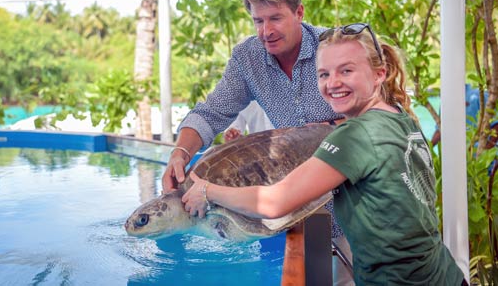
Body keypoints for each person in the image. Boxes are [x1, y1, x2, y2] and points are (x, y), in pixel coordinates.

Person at [182, 23, 466, 285]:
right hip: (444, 275)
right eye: (324, 74)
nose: (333, 83)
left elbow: (274, 202)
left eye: (347, 71)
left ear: (379, 74)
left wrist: (207, 190)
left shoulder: (355, 135)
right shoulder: (399, 117)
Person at [162, 0, 353, 285]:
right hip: (295, 207)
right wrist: (181, 152)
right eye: (258, 21)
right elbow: (211, 112)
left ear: (299, 12)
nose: (267, 31)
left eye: (276, 18)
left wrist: (331, 125)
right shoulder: (247, 58)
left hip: (354, 200)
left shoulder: (334, 47)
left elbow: (381, 109)